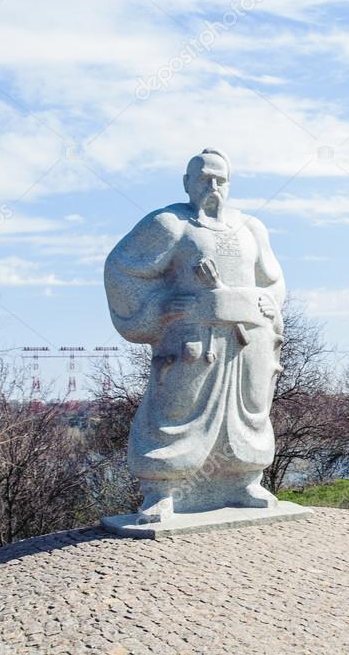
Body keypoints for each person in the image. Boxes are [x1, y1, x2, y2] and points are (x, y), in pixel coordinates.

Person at [104, 148, 285, 522]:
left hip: (246, 340)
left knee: (249, 411)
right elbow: (120, 270)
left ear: (230, 183)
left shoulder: (251, 227)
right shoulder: (169, 224)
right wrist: (160, 308)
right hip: (192, 342)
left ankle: (243, 481)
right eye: (203, 178)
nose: (213, 185)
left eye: (220, 178)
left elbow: (273, 280)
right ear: (187, 183)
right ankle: (163, 489)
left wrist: (267, 306)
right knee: (176, 412)